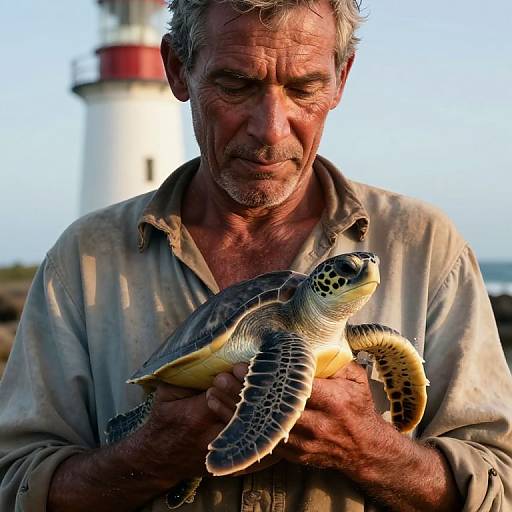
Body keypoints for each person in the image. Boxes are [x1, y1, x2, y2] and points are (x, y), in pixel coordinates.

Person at [1, 0, 511, 510]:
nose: (270, 128)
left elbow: (501, 484)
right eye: (236, 85)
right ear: (179, 70)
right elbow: (13, 484)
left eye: (304, 87)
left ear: (341, 78)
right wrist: (153, 455)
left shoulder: (426, 246)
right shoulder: (83, 260)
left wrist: (372, 449)